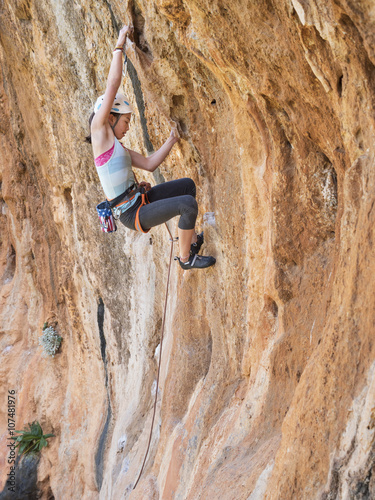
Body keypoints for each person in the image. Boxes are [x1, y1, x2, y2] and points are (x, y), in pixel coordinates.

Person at [87, 25, 215, 270]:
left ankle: (191, 241)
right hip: (132, 215)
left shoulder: (118, 149)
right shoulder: (100, 136)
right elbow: (112, 85)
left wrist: (172, 139)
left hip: (140, 200)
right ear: (111, 117)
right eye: (125, 121)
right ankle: (186, 259)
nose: (127, 128)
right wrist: (119, 44)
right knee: (187, 204)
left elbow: (149, 163)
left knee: (188, 185)